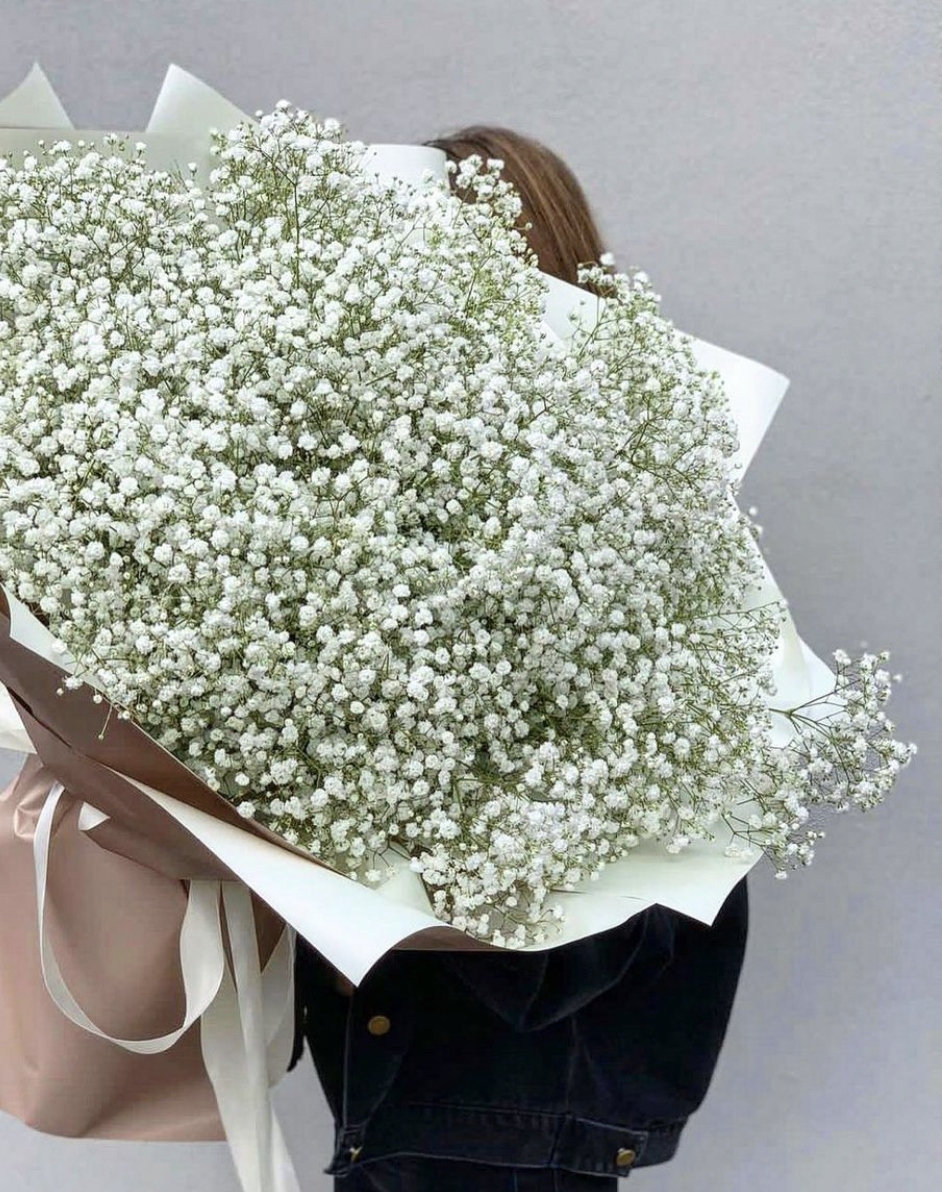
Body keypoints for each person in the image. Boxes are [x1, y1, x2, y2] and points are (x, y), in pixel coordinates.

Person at [285, 125, 752, 1192]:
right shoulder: (410, 513)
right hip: (427, 1097)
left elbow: (600, 917)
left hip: (511, 1099)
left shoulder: (619, 523)